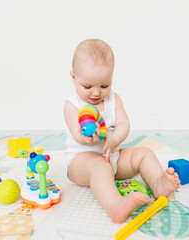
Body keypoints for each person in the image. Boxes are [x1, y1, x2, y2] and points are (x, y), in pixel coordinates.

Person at [64, 39, 181, 223]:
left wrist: (113, 140)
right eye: (88, 87)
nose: (96, 93)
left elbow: (124, 125)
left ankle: (158, 183)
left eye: (104, 85)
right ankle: (115, 205)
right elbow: (77, 134)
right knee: (100, 166)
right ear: (73, 78)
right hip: (82, 164)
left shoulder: (114, 99)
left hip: (113, 159)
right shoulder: (72, 105)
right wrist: (86, 137)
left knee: (144, 153)